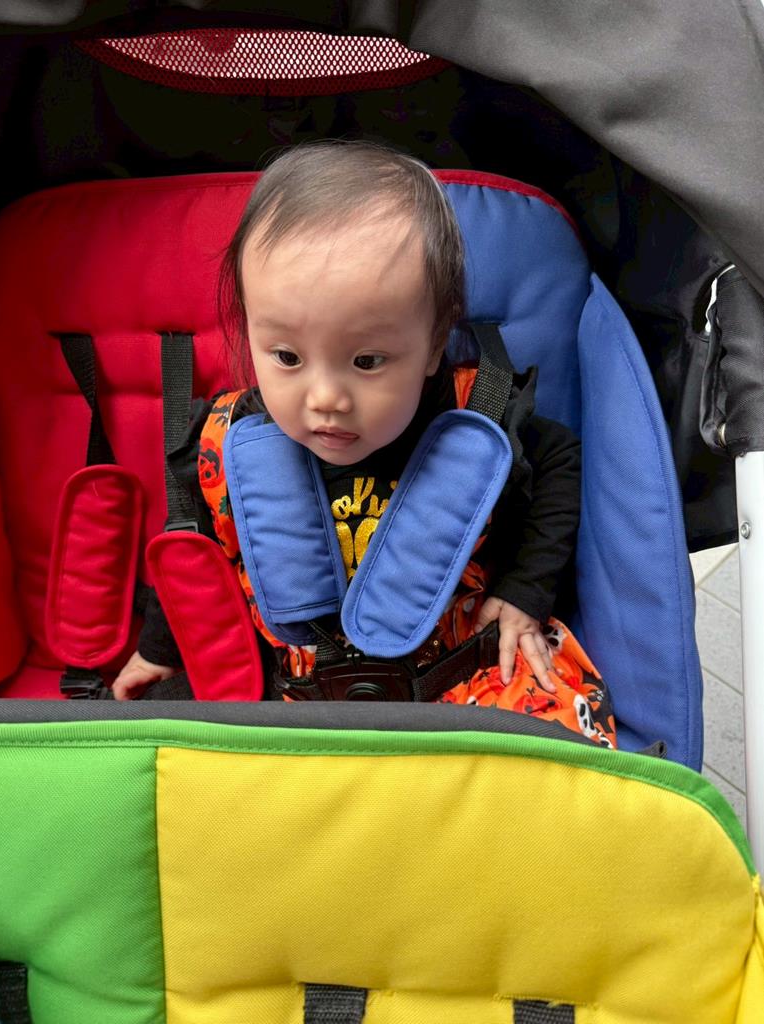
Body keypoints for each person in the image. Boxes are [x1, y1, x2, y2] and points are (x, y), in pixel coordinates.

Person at [112, 141, 615, 747]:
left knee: (561, 747)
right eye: (287, 356)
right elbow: (192, 548)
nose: (325, 397)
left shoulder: (476, 419)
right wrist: (160, 649)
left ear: (433, 344)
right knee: (156, 738)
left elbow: (559, 460)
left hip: (460, 673)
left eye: (367, 361)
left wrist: (523, 591)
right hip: (288, 690)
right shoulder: (228, 446)